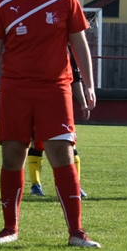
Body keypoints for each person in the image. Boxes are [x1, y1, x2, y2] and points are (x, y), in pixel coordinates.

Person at [0, 0, 100, 248]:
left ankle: (77, 232)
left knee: (62, 154)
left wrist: (89, 84)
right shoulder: (3, 2)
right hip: (15, 89)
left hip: (55, 88)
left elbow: (79, 44)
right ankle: (9, 229)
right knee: (12, 154)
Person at [29, 53, 88, 198]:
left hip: (60, 102)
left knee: (69, 142)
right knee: (36, 141)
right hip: (36, 100)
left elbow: (76, 78)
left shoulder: (69, 50)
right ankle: (35, 185)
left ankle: (75, 185)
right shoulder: (35, 49)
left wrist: (83, 102)